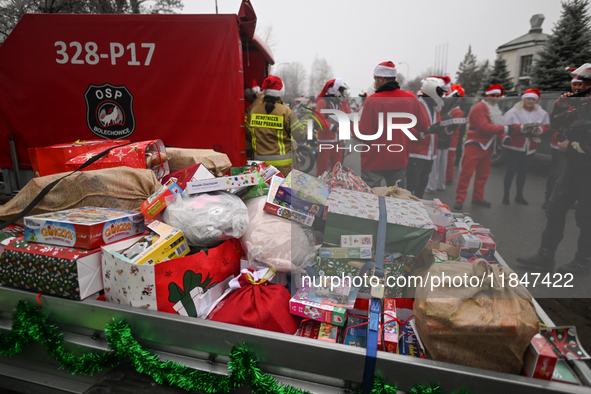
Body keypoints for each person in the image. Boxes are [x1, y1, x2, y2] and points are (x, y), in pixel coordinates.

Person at [517, 63, 591, 275]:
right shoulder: (580, 105)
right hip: (572, 169)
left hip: (588, 172)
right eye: (578, 83)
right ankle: (545, 256)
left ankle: (582, 261)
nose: (580, 87)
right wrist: (560, 106)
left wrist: (573, 147)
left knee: (586, 219)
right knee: (555, 209)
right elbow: (559, 126)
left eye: (586, 83)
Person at [358, 61, 430, 188]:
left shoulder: (372, 101)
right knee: (398, 201)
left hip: (373, 159)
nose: (374, 82)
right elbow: (424, 126)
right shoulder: (411, 99)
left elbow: (364, 133)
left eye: (375, 79)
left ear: (381, 79)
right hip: (398, 159)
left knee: (369, 200)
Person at [453, 84, 519, 211]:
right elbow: (484, 127)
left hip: (488, 146)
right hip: (475, 144)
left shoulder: (495, 108)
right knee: (466, 174)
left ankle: (478, 197)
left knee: (483, 174)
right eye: (492, 95)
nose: (495, 98)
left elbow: (496, 126)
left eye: (497, 96)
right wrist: (506, 129)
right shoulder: (479, 108)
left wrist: (504, 137)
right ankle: (459, 200)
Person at [501, 88, 550, 205]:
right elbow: (505, 127)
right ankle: (506, 195)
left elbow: (546, 126)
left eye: (533, 99)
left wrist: (539, 130)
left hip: (530, 146)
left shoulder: (542, 113)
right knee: (511, 171)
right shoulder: (513, 111)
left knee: (523, 172)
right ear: (524, 99)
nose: (531, 101)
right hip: (514, 145)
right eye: (528, 98)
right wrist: (520, 128)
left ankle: (519, 195)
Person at [543, 69, 583, 209]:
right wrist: (562, 107)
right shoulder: (565, 99)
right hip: (561, 144)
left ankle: (569, 199)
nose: (577, 87)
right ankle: (549, 199)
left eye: (581, 84)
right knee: (557, 173)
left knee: (573, 175)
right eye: (575, 84)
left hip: (579, 146)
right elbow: (555, 124)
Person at [407, 77, 450, 198]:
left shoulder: (435, 108)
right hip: (416, 154)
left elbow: (437, 126)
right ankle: (407, 212)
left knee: (422, 184)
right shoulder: (416, 105)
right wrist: (426, 131)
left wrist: (447, 128)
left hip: (429, 153)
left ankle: (418, 211)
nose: (442, 95)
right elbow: (407, 129)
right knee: (411, 185)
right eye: (440, 92)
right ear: (432, 91)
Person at [246, 75, 293, 177]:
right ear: (280, 93)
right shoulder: (286, 111)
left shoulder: (253, 111)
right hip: (283, 168)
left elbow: (249, 134)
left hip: (260, 167)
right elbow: (299, 135)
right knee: (282, 192)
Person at [425, 83, 465, 192]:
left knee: (435, 167)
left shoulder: (438, 114)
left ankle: (432, 186)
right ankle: (440, 185)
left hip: (439, 143)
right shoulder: (449, 114)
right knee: (443, 165)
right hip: (446, 142)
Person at [315, 78, 352, 176]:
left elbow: (346, 115)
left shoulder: (339, 104)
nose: (343, 93)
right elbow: (319, 119)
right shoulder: (323, 102)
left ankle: (336, 186)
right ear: (335, 91)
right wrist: (335, 128)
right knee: (322, 167)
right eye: (341, 91)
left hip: (337, 140)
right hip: (325, 141)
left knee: (337, 167)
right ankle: (320, 187)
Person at [444, 84, 466, 185]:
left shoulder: (457, 111)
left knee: (450, 161)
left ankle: (449, 178)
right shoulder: (453, 110)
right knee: (447, 160)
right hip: (449, 138)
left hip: (452, 139)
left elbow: (454, 126)